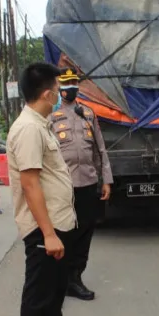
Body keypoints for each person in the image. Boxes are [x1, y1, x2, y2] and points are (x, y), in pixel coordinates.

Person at [7, 62, 77, 316]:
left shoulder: (41, 125)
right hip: (44, 230)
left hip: (56, 225)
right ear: (48, 94)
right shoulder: (29, 129)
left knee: (52, 300)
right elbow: (30, 184)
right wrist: (48, 234)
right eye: (58, 89)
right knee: (39, 301)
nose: (60, 94)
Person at [48, 67, 112, 301]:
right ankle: (60, 279)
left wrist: (106, 180)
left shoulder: (88, 113)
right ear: (59, 88)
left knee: (85, 231)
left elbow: (100, 148)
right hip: (63, 186)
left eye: (74, 83)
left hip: (87, 182)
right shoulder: (51, 117)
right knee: (65, 233)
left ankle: (75, 278)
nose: (71, 88)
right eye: (66, 84)